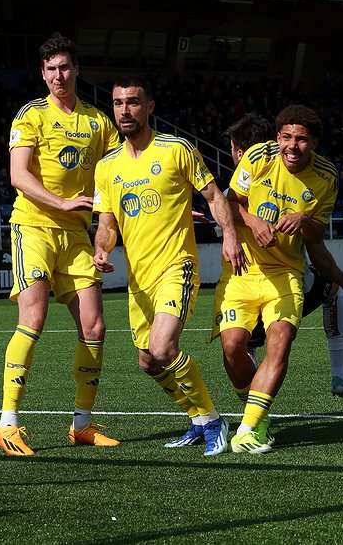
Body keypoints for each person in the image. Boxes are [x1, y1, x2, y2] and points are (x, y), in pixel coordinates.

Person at [93, 76, 246, 456]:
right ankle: (196, 420)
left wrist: (229, 234)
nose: (124, 110)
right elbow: (107, 225)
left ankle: (212, 421)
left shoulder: (177, 149)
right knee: (148, 362)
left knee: (163, 347)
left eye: (132, 102)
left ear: (149, 107)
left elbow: (213, 195)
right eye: (117, 103)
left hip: (177, 266)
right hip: (139, 280)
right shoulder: (106, 167)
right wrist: (101, 250)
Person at [0, 32, 121, 456]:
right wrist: (64, 201)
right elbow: (19, 176)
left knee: (95, 326)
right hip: (32, 227)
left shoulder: (99, 123)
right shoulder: (30, 115)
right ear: (42, 73)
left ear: (77, 70)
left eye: (64, 67)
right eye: (50, 69)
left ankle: (82, 424)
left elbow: (120, 176)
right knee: (34, 316)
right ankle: (7, 423)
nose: (58, 75)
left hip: (76, 236)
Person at [213, 105, 343, 454]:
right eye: (286, 137)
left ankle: (250, 428)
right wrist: (252, 223)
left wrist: (306, 222)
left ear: (314, 143)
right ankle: (258, 406)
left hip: (286, 274)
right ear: (277, 136)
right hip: (244, 271)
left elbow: (317, 236)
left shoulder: (326, 176)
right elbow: (230, 203)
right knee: (234, 347)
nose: (292, 146)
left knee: (280, 340)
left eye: (301, 140)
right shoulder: (257, 156)